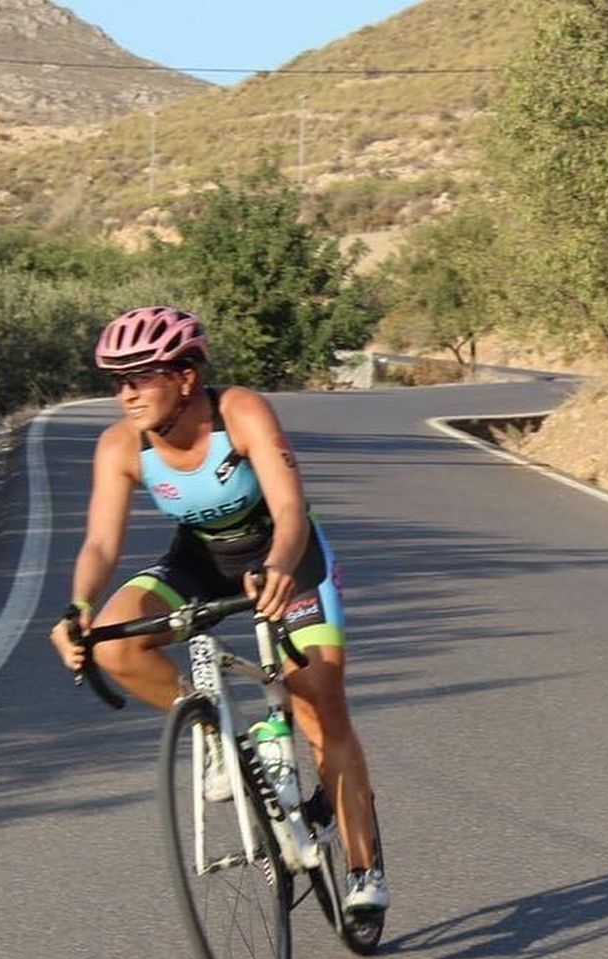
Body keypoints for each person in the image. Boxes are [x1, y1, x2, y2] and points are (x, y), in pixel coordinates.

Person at [49, 306, 388, 917]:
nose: (126, 393)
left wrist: (283, 567)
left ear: (184, 376)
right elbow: (100, 543)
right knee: (110, 640)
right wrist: (77, 610)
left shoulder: (240, 412)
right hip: (202, 557)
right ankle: (218, 734)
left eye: (140, 376)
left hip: (286, 553)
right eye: (117, 380)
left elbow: (290, 510)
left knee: (318, 701)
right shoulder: (121, 445)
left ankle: (363, 869)